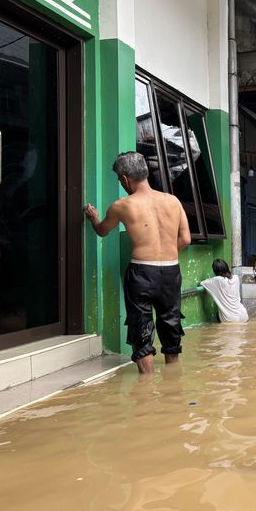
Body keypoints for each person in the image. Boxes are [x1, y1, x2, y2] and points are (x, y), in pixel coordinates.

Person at [85, 152, 191, 374]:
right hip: (171, 271)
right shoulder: (173, 201)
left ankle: (148, 385)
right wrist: (165, 255)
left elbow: (102, 231)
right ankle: (173, 376)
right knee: (170, 322)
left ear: (125, 179)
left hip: (142, 273)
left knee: (141, 326)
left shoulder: (122, 206)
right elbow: (186, 239)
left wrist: (93, 217)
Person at [200, 259, 249, 323]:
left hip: (230, 319)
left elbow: (202, 283)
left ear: (215, 271)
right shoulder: (236, 277)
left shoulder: (217, 280)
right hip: (243, 315)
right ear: (227, 267)